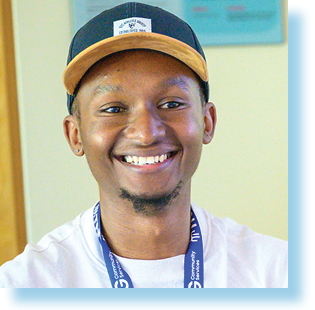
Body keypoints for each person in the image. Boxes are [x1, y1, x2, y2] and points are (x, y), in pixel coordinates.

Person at [0, 2, 287, 288]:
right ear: (75, 135)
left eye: (171, 103)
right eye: (113, 109)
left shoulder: (279, 273)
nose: (147, 133)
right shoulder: (25, 286)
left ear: (207, 121)